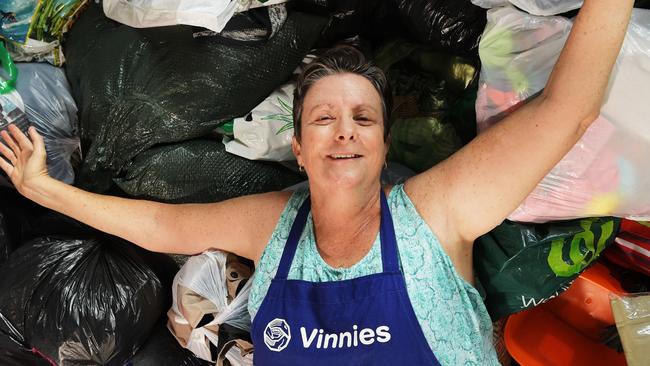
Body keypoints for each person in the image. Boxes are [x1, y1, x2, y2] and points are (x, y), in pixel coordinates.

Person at [0, 0, 635, 364]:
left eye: (364, 118)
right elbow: (164, 223)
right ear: (298, 148)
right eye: (323, 118)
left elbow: (566, 110)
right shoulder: (275, 224)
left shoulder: (437, 212)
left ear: (386, 145)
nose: (345, 131)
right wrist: (44, 191)